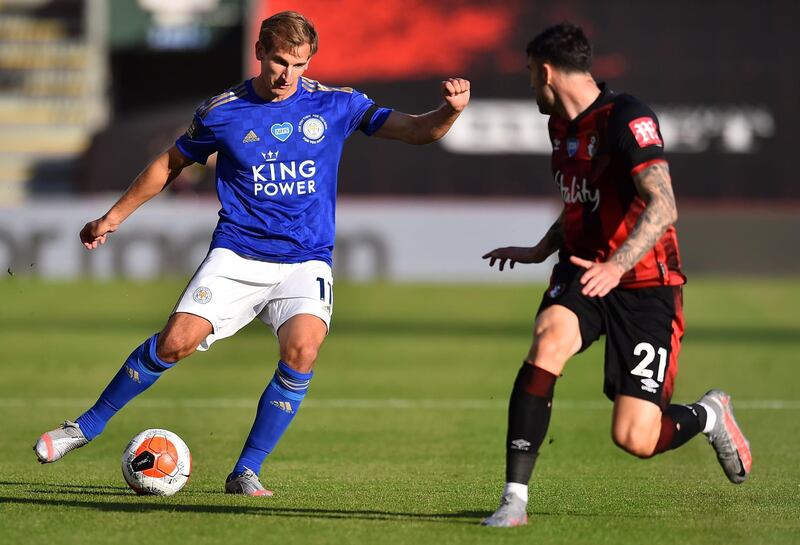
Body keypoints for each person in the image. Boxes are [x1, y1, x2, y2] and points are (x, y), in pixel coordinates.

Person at [33, 10, 471, 496]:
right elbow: (169, 164)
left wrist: (448, 112)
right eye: (281, 61)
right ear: (260, 51)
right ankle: (85, 427)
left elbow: (415, 130)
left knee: (303, 349)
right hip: (239, 253)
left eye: (300, 64)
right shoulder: (223, 111)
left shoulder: (336, 105)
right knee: (175, 342)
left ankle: (245, 470)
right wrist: (113, 217)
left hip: (306, 259)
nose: (288, 75)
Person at [480, 23, 751, 527]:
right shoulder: (560, 123)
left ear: (545, 71)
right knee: (547, 343)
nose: (530, 86)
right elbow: (586, 201)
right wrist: (543, 248)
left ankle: (710, 414)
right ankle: (514, 499)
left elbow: (664, 204)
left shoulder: (628, 117)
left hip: (646, 286)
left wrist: (618, 264)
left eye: (528, 76)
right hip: (584, 273)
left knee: (635, 437)